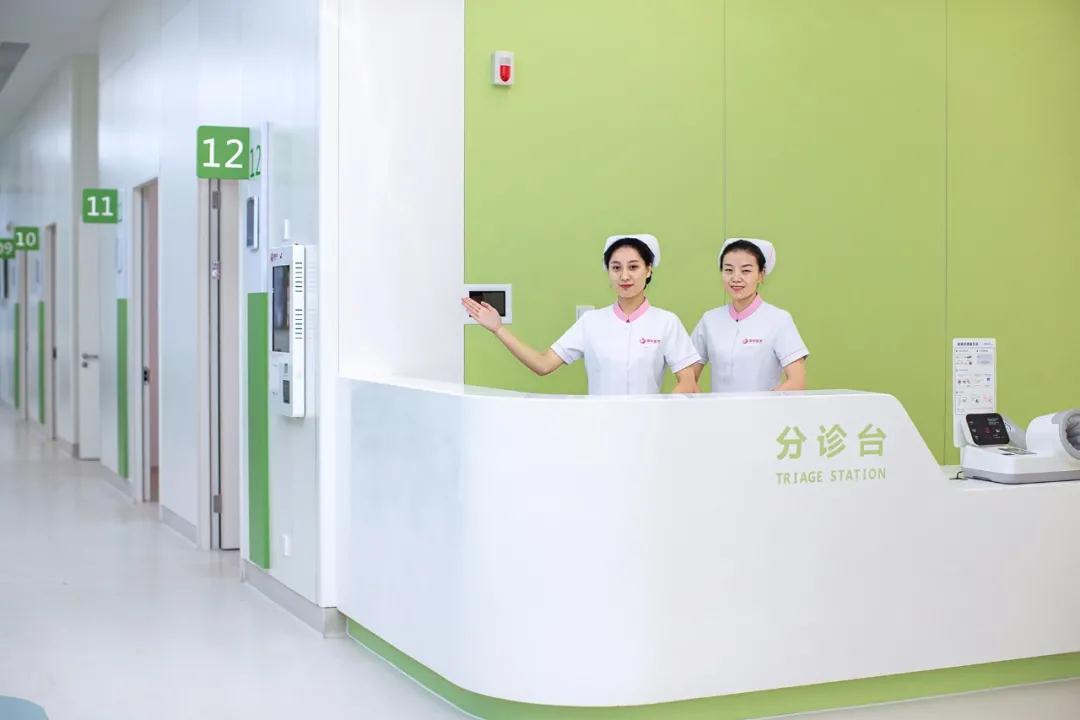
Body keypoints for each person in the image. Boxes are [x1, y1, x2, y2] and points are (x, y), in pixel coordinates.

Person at [461, 234, 700, 395]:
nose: (624, 276)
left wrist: (658, 414)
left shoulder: (666, 322)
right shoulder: (591, 322)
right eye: (616, 268)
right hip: (598, 428)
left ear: (648, 270)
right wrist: (498, 329)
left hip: (648, 430)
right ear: (608, 272)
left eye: (633, 267)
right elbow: (543, 364)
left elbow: (688, 381)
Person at [690, 238, 808, 392]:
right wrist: (705, 403)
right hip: (719, 408)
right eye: (728, 270)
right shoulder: (709, 320)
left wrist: (764, 403)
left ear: (761, 274)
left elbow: (797, 381)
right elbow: (688, 378)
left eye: (746, 271)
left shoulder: (779, 319)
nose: (736, 278)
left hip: (765, 408)